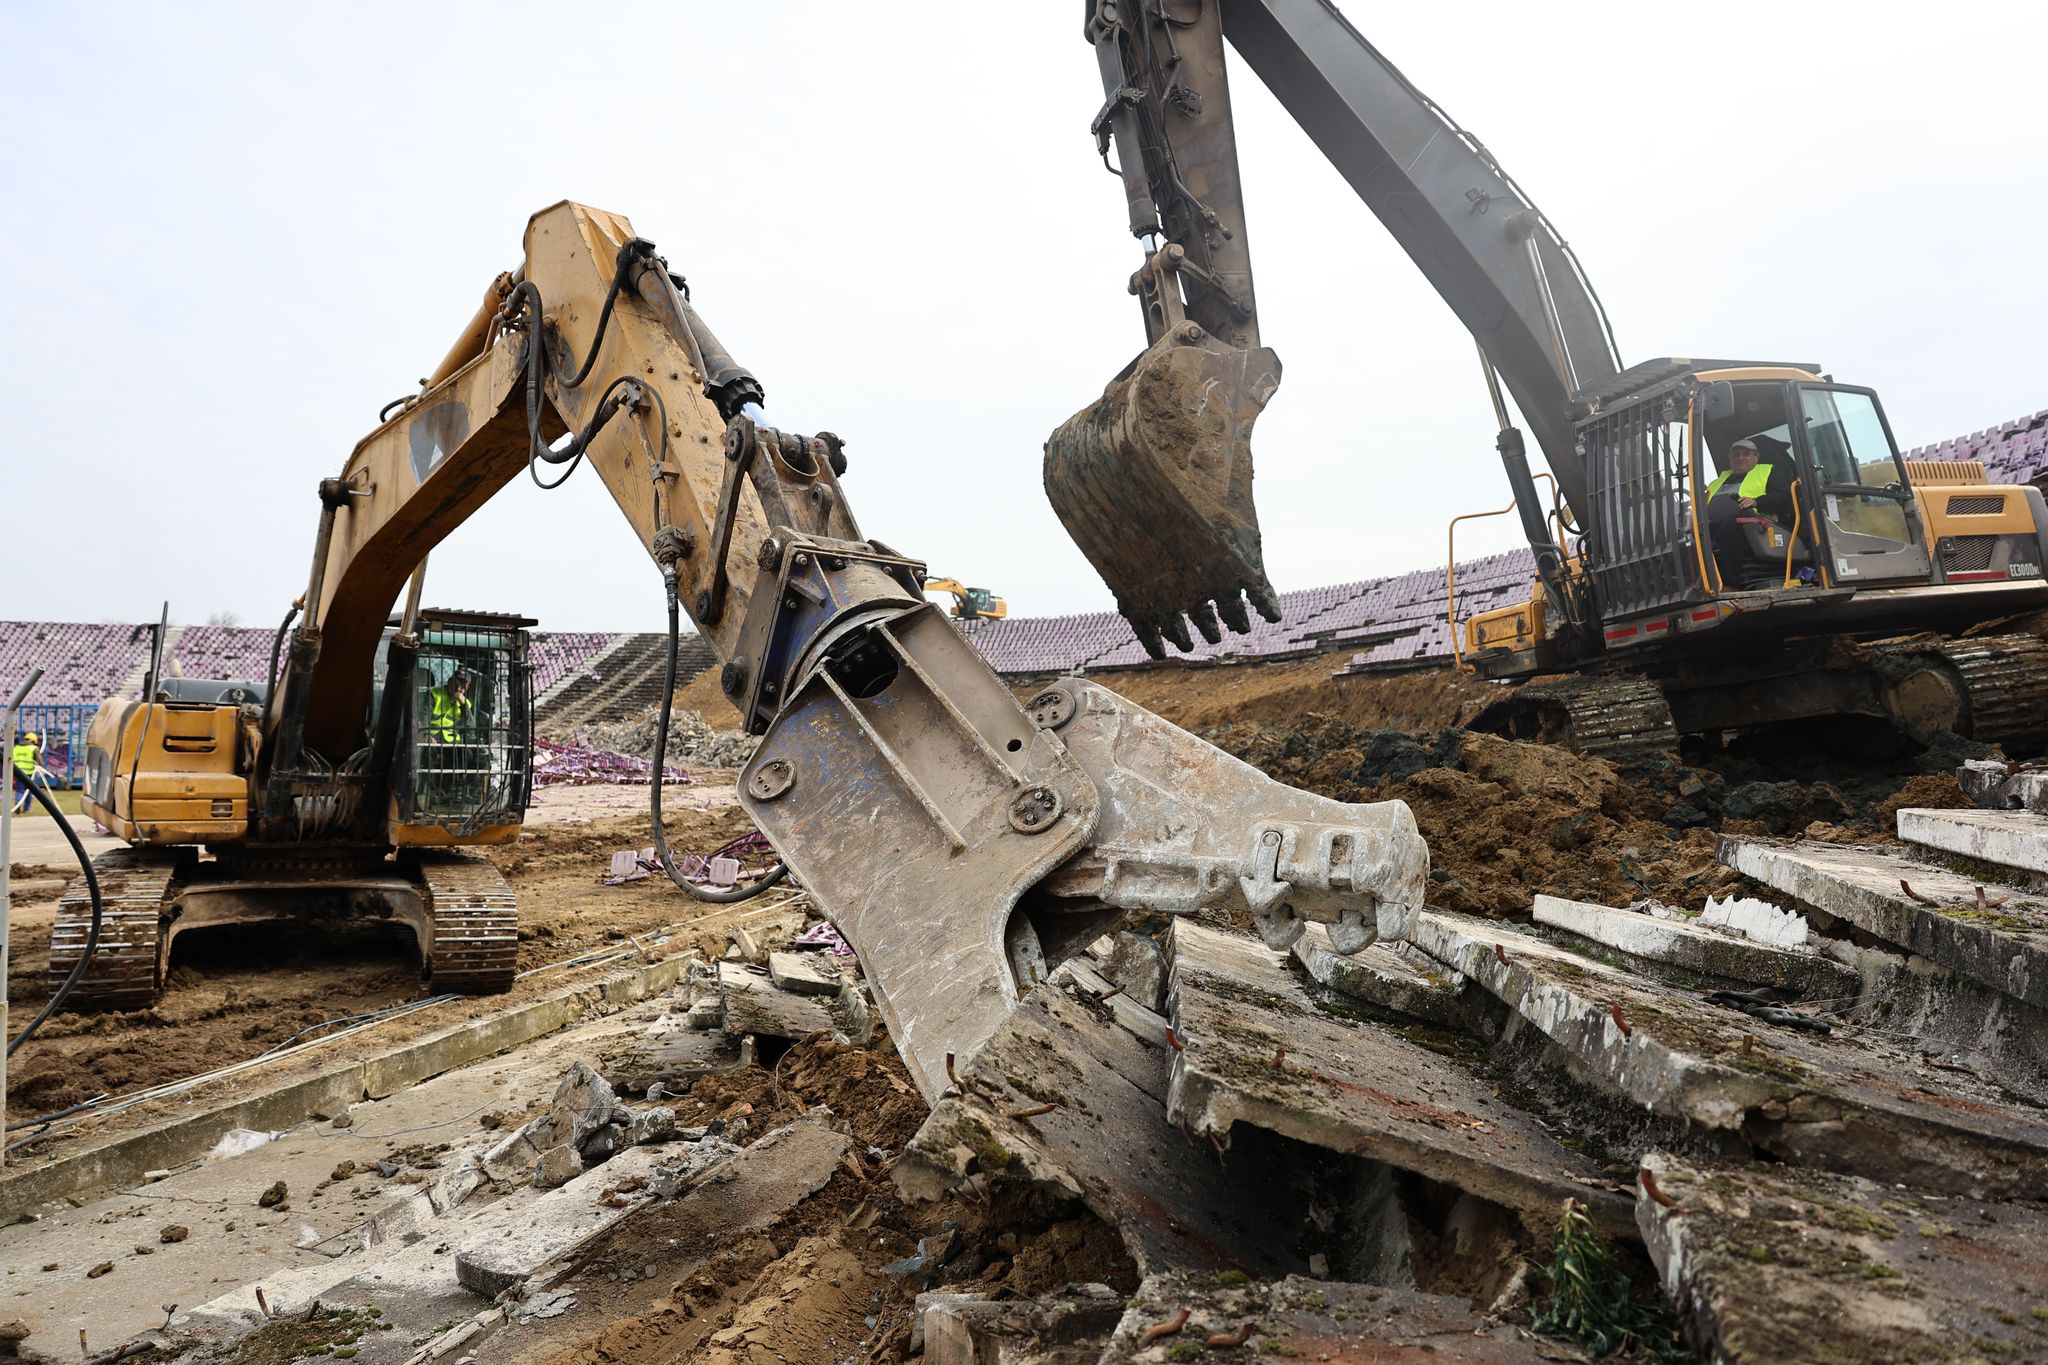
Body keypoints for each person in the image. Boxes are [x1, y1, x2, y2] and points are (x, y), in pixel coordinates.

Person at [1705, 437, 1797, 588]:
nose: (1740, 458)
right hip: (1714, 523)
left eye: (1746, 454)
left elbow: (1783, 496)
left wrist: (1757, 501)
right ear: (1730, 458)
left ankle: (1730, 583)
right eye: (1736, 454)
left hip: (1756, 521)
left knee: (1731, 525)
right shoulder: (1718, 480)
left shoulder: (1768, 471)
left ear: (1756, 457)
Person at [11, 730, 49, 815]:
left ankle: (18, 804)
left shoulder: (16, 748)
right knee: (29, 791)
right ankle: (26, 809)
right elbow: (40, 761)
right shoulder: (34, 748)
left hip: (18, 773)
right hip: (29, 773)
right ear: (33, 741)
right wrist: (39, 763)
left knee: (19, 790)